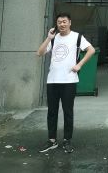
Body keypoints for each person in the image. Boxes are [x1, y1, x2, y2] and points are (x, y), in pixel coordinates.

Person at [37, 13, 95, 153]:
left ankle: (67, 140)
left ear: (70, 22)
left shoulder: (77, 37)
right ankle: (52, 140)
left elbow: (91, 50)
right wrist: (49, 38)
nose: (62, 24)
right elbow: (39, 53)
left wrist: (79, 64)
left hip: (69, 80)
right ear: (56, 24)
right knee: (52, 112)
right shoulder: (53, 38)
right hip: (52, 80)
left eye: (64, 21)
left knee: (68, 112)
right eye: (59, 22)